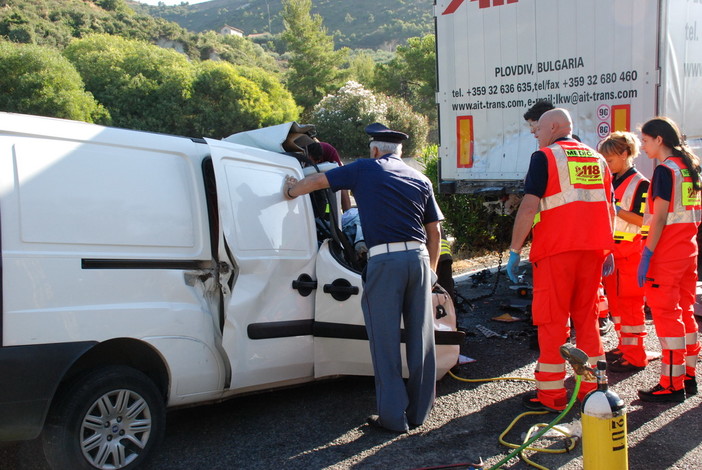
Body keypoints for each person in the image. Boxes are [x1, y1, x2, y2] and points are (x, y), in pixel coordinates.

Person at [282, 123, 443, 432]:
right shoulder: (420, 178)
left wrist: (290, 189)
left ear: (373, 150)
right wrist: (432, 270)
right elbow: (434, 232)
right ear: (401, 152)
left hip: (385, 261)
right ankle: (420, 413)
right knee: (422, 340)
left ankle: (394, 418)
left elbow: (317, 181)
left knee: (385, 341)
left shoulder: (364, 169)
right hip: (420, 259)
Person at [506, 108, 615, 412]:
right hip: (592, 252)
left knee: (552, 322)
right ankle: (592, 390)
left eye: (537, 129)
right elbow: (610, 208)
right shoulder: (598, 158)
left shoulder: (546, 157)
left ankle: (552, 396)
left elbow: (529, 207)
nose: (534, 134)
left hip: (557, 252)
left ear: (553, 127)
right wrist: (608, 250)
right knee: (587, 320)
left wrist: (515, 250)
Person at [636, 117, 701, 402]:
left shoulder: (664, 171)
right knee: (685, 314)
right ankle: (688, 376)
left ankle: (671, 384)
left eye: (646, 141)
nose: (643, 146)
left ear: (659, 140)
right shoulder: (689, 168)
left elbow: (660, 217)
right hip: (688, 251)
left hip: (666, 254)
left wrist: (647, 254)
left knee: (666, 317)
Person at [598, 131, 651, 373]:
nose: (606, 166)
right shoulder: (613, 180)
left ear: (625, 154)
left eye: (609, 161)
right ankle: (624, 346)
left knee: (631, 307)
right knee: (617, 307)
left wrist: (615, 209)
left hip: (631, 254)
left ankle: (636, 356)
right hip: (613, 253)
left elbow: (645, 221)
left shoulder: (641, 184)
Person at [306, 141, 352, 212]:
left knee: (342, 186)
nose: (315, 163)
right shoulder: (303, 153)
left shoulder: (330, 151)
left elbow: (340, 173)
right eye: (313, 161)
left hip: (328, 173)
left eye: (317, 160)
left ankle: (348, 214)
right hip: (309, 177)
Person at [436, 227, 455, 304]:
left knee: (435, 290)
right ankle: (451, 313)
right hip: (444, 255)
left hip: (434, 255)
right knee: (447, 289)